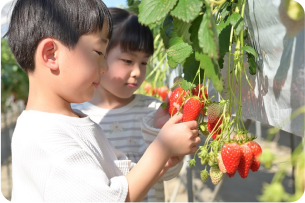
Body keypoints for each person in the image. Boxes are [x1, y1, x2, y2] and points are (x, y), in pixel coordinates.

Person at [6, 1, 201, 202]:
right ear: (51, 54)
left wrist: (165, 159)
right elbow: (110, 198)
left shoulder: (75, 122)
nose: (104, 67)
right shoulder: (44, 138)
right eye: (99, 53)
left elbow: (122, 177)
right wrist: (163, 148)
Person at [71, 7, 182, 203]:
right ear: (100, 56)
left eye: (144, 63)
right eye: (128, 60)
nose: (137, 72)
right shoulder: (78, 116)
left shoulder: (153, 111)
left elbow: (169, 172)